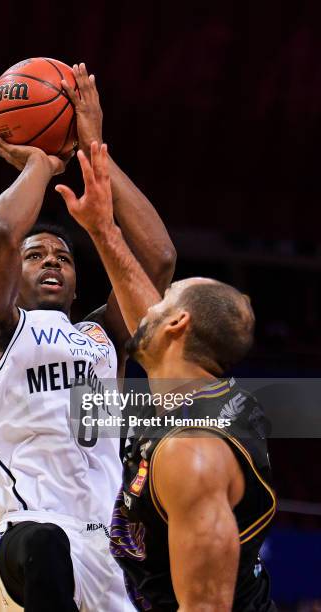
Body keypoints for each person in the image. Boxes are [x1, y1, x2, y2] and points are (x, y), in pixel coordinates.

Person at [0, 63, 176, 612]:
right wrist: (39, 161)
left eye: (62, 257)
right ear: (13, 275)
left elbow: (159, 259)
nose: (51, 262)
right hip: (23, 541)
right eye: (36, 257)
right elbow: (2, 233)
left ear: (78, 281)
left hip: (109, 554)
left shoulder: (103, 337)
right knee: (44, 545)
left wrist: (95, 150)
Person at [56, 141, 277, 611]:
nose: (150, 302)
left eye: (166, 299)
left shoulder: (192, 456)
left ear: (176, 325)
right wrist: (102, 228)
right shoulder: (201, 393)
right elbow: (146, 298)